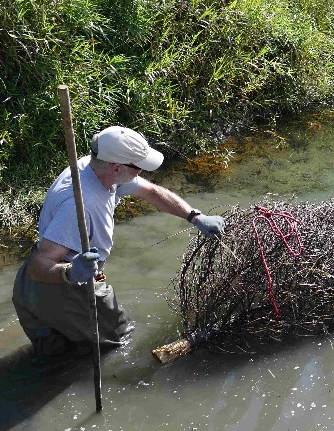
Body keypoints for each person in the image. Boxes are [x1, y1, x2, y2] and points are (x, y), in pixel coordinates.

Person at [12, 126, 227, 359]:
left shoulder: (97, 168)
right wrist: (71, 272)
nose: (141, 173)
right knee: (120, 343)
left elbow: (152, 192)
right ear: (117, 168)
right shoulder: (81, 205)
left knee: (57, 359)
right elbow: (39, 265)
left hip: (29, 291)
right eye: (138, 167)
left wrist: (194, 216)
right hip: (64, 282)